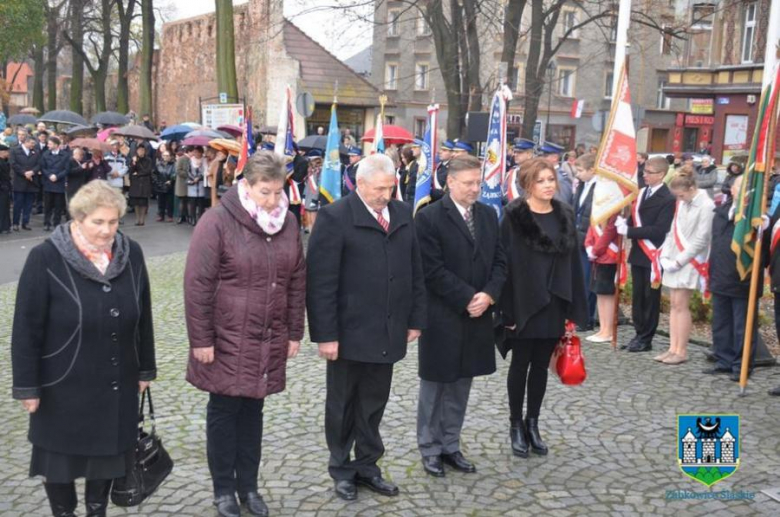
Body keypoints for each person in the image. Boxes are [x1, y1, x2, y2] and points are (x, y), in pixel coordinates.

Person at [11, 180, 156, 517]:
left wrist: (145, 367)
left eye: (114, 221)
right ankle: (63, 513)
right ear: (78, 219)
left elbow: (143, 312)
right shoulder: (45, 257)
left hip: (116, 377)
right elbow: (26, 329)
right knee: (59, 457)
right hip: (62, 382)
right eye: (98, 222)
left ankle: (96, 511)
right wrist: (27, 387)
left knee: (107, 453)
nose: (107, 231)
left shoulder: (130, 253)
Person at [185, 151, 305, 517]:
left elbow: (297, 281)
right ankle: (224, 489)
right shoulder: (217, 222)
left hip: (267, 336)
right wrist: (201, 339)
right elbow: (198, 285)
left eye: (277, 192)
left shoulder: (287, 224)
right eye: (264, 192)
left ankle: (249, 487)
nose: (272, 200)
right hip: (225, 336)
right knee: (224, 411)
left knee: (253, 411)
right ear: (247, 186)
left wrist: (294, 331)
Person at [306, 153, 426, 501]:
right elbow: (321, 283)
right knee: (342, 403)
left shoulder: (403, 215)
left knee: (374, 403)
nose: (385, 196)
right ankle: (342, 468)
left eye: (390, 188)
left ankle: (368, 466)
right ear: (359, 185)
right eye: (378, 189)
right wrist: (325, 335)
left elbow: (415, 271)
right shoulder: (335, 217)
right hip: (348, 333)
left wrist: (416, 319)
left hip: (388, 328)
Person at [414, 155, 507, 477]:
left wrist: (489, 294)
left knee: (461, 384)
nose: (474, 189)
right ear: (450, 182)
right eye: (468, 183)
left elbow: (499, 261)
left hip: (478, 313)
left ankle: (450, 445)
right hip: (443, 314)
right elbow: (431, 269)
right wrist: (467, 297)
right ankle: (429, 448)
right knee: (436, 384)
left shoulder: (487, 215)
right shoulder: (429, 217)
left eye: (478, 182)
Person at [499, 158, 587, 458]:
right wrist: (506, 310)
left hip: (554, 303)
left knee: (540, 367)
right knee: (520, 364)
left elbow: (573, 264)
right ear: (527, 184)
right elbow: (504, 264)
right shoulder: (514, 216)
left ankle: (532, 423)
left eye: (551, 180)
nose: (549, 185)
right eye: (541, 180)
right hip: (524, 302)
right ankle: (514, 425)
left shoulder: (564, 214)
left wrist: (573, 305)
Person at [616, 156, 676, 352]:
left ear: (661, 174)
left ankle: (646, 337)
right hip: (638, 252)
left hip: (653, 254)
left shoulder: (668, 199)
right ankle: (638, 332)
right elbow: (636, 218)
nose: (645, 175)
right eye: (645, 172)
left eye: (649, 173)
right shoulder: (642, 193)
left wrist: (630, 232)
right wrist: (626, 224)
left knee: (650, 298)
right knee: (638, 296)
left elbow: (659, 229)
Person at [655, 169, 715, 365]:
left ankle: (681, 350)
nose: (679, 199)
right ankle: (672, 347)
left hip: (690, 260)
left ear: (691, 188)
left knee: (681, 305)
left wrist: (680, 260)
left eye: (681, 195)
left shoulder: (706, 205)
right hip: (673, 259)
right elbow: (673, 231)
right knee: (673, 304)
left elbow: (702, 238)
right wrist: (665, 256)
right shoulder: (682, 203)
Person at [584, 213, 620, 343]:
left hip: (609, 258)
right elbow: (591, 229)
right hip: (598, 258)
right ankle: (603, 329)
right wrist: (588, 246)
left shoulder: (614, 215)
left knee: (607, 295)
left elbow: (607, 235)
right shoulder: (597, 212)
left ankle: (608, 330)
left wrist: (594, 251)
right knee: (600, 294)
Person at [572, 153, 598, 331]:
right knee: (579, 279)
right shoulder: (582, 185)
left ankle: (587, 317)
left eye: (580, 170)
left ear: (592, 170)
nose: (577, 174)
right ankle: (578, 314)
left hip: (590, 240)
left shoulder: (600, 188)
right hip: (577, 238)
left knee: (588, 280)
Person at [39, 136, 70, 231]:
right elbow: (43, 167)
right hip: (48, 182)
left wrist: (57, 176)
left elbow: (67, 169)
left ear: (56, 145)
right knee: (48, 205)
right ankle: (46, 222)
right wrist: (49, 175)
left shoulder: (65, 155)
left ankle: (56, 223)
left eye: (50, 144)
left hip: (59, 182)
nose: (48, 145)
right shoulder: (45, 154)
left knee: (58, 205)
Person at [11, 134, 41, 231]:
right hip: (19, 181)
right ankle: (15, 223)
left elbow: (39, 164)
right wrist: (24, 173)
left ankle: (25, 222)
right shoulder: (15, 150)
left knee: (28, 204)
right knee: (18, 204)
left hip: (31, 182)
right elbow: (13, 164)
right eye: (32, 143)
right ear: (26, 142)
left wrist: (32, 172)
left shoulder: (36, 152)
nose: (33, 145)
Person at [128, 145, 153, 226]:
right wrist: (134, 163)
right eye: (139, 150)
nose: (140, 152)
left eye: (142, 150)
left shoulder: (148, 160)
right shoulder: (134, 159)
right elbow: (131, 171)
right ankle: (137, 218)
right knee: (136, 202)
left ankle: (142, 219)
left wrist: (138, 174)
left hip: (145, 182)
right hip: (136, 183)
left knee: (143, 202)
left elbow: (148, 171)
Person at [154, 148, 176, 221]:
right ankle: (161, 215)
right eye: (164, 155)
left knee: (170, 202)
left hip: (169, 185)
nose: (166, 157)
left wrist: (171, 180)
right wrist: (157, 182)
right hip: (160, 184)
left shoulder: (173, 164)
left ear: (170, 156)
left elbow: (175, 173)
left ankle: (170, 216)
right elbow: (154, 174)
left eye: (167, 155)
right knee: (161, 201)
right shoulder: (158, 164)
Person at [302, 150, 322, 232]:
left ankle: (314, 238)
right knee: (308, 219)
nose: (309, 161)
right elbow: (307, 184)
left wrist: (315, 199)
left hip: (314, 197)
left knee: (314, 220)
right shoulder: (310, 169)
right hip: (308, 196)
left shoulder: (320, 170)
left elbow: (319, 186)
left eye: (311, 159)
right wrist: (304, 195)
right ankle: (310, 236)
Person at [175, 147, 191, 224]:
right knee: (182, 200)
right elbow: (178, 170)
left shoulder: (192, 159)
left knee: (188, 200)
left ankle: (188, 216)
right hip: (182, 182)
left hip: (190, 183)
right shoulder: (182, 159)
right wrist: (187, 174)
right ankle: (180, 216)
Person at [0, 143, 11, 233]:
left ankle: (5, 226)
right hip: (2, 188)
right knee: (2, 208)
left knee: (5, 207)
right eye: (6, 152)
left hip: (5, 187)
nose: (8, 153)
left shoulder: (5, 161)